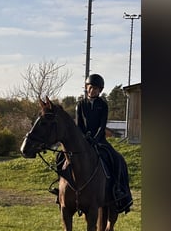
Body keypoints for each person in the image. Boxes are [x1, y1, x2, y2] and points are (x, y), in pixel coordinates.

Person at [51, 74, 133, 213]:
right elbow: (79, 125)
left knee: (117, 159)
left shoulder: (103, 105)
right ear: (86, 88)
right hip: (83, 141)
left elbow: (102, 125)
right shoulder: (80, 105)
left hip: (100, 140)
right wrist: (83, 139)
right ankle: (59, 187)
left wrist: (95, 138)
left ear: (100, 90)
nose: (92, 90)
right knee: (60, 157)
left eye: (95, 88)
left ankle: (118, 189)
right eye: (90, 87)